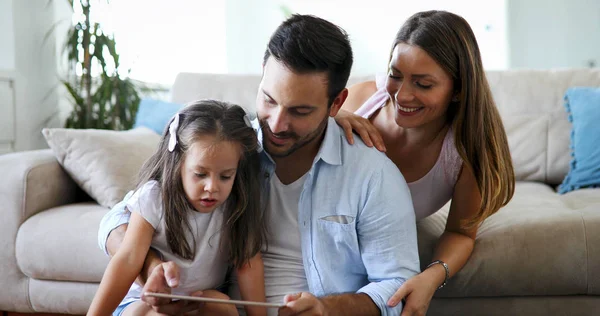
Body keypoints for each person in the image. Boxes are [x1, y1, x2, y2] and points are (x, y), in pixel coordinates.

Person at [98, 14, 420, 316]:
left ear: (336, 103)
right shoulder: (232, 147)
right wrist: (153, 268)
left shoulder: (372, 175)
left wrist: (327, 309)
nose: (277, 125)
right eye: (269, 99)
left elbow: (397, 286)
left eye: (300, 111)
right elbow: (118, 219)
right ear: (262, 72)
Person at [334, 10, 515, 316]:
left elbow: (460, 233)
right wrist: (329, 116)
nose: (402, 95)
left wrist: (432, 277)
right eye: (395, 75)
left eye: (423, 84)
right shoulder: (362, 102)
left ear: (458, 90)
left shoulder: (465, 153)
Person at [89, 100, 267, 316]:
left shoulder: (236, 203)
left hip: (201, 297)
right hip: (144, 302)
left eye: (225, 176)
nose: (212, 187)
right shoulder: (154, 197)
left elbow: (248, 263)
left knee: (221, 304)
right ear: (178, 164)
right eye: (200, 174)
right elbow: (127, 259)